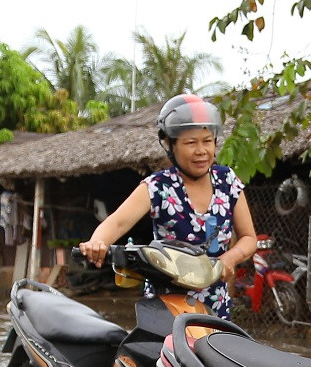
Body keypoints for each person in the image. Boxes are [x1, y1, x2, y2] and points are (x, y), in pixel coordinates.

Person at [78, 94, 257, 317]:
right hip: (165, 307)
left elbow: (249, 238)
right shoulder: (157, 186)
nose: (201, 150)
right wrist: (97, 242)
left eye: (207, 141)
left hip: (215, 307)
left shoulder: (227, 181)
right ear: (169, 145)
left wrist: (230, 258)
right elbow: (117, 223)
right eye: (190, 143)